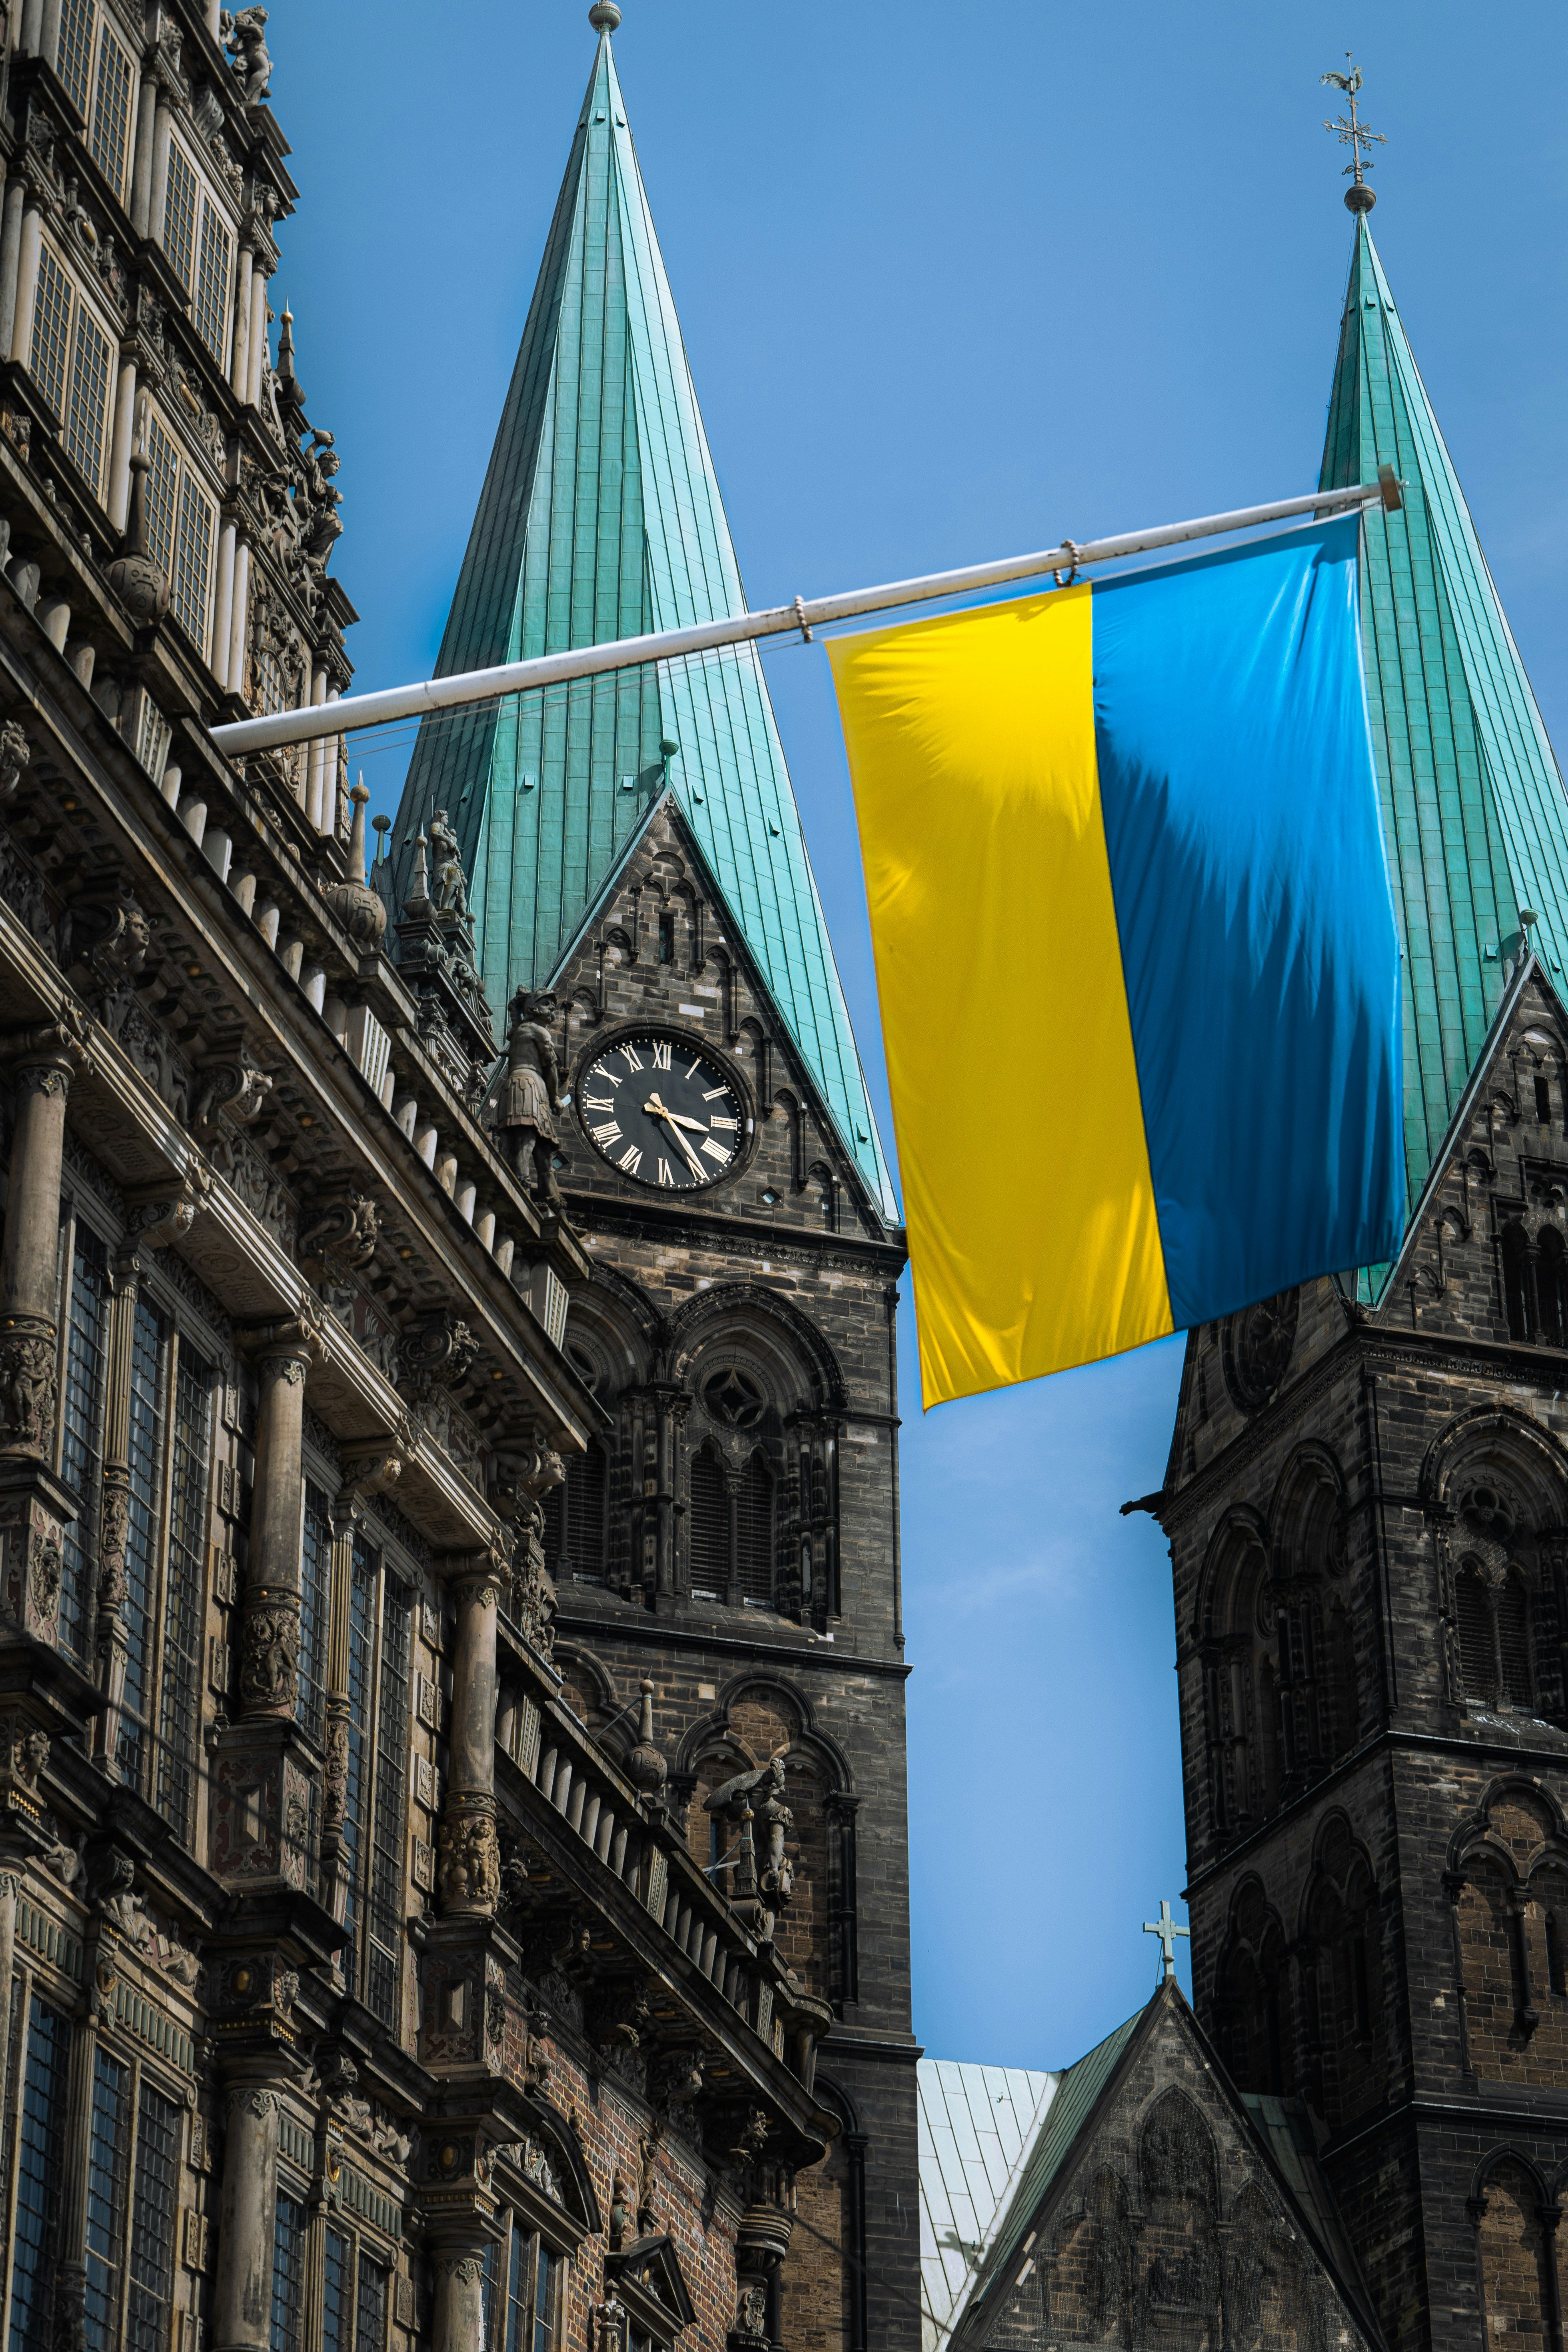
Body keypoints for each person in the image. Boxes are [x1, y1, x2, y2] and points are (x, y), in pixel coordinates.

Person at [500, 988, 563, 1206]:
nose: (552, 1008)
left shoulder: (523, 1031)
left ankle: (557, 1210)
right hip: (528, 1087)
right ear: (533, 1008)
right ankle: (521, 1195)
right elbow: (551, 1069)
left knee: (543, 1151)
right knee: (526, 1143)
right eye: (547, 1004)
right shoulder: (539, 1032)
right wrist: (555, 1098)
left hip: (525, 1088)